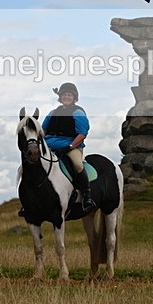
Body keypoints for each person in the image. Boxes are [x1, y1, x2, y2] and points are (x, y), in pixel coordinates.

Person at [42, 82, 95, 213]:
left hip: (71, 146)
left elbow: (82, 133)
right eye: (64, 94)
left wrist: (69, 147)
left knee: (77, 164)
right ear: (60, 97)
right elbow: (43, 130)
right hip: (49, 146)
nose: (67, 97)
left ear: (74, 97)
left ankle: (87, 196)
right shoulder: (53, 112)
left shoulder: (78, 112)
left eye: (69, 95)